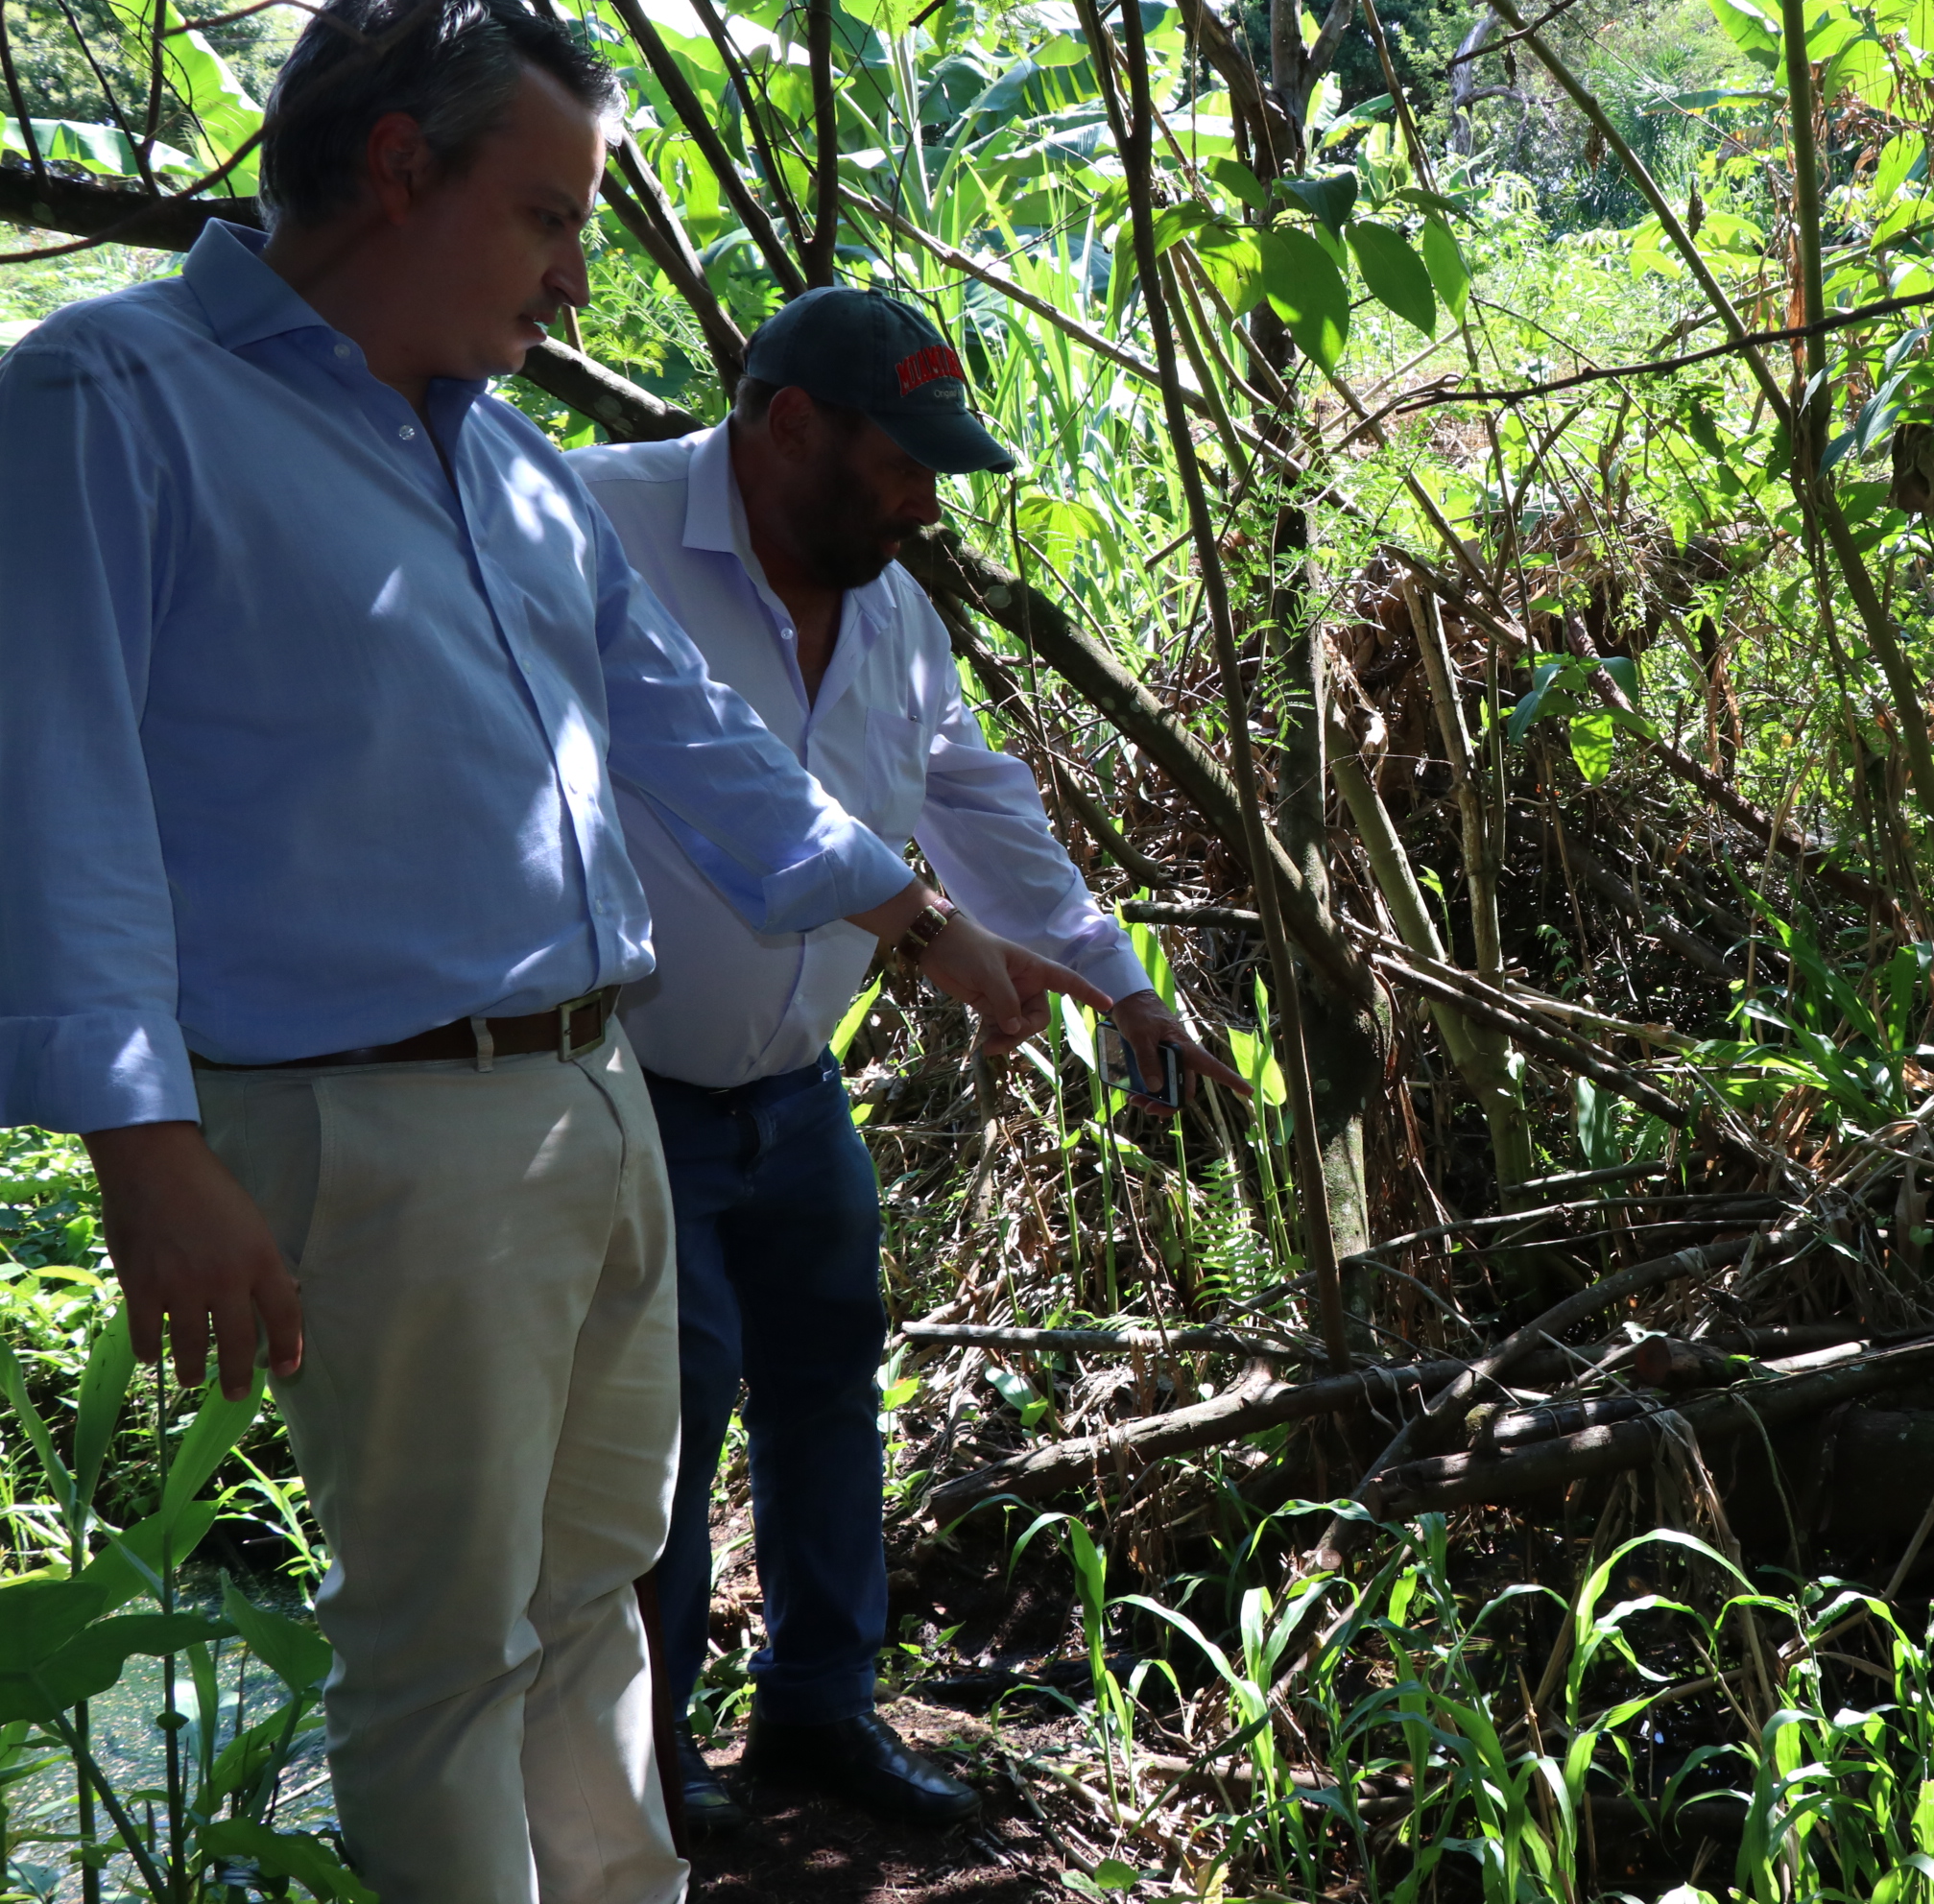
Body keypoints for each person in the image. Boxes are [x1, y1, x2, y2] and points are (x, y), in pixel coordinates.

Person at [0, 3, 1107, 1898]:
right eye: (546, 216)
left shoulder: (507, 462)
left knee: (597, 1596)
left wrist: (922, 922)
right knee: (443, 1644)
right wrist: (143, 1144)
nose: (575, 274)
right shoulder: (114, 399)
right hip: (377, 1123)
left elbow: (693, 735)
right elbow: (52, 782)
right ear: (397, 168)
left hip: (598, 1098)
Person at [566, 287, 1245, 1835]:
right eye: (904, 464)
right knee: (661, 1419)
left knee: (826, 1388)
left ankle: (821, 1708)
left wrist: (1118, 986)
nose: (926, 504)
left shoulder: (894, 617)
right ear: (791, 424)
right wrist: (930, 930)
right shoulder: (597, 524)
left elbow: (975, 800)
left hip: (796, 1092)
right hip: (622, 1085)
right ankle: (645, 1752)